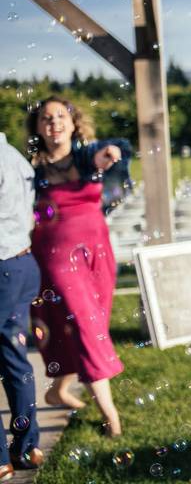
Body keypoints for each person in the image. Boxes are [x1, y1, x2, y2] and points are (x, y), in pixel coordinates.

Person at [27, 97, 130, 437]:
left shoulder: (88, 157)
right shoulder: (34, 171)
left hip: (97, 253)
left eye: (61, 116)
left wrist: (112, 153)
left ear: (73, 123)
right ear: (39, 128)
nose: (54, 122)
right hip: (56, 257)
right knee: (86, 326)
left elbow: (117, 149)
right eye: (46, 118)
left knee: (87, 322)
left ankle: (59, 389)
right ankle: (111, 417)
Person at [0, 132, 44, 477]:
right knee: (14, 357)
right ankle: (27, 447)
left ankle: (1, 459)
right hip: (21, 264)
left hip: (1, 266)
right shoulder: (12, 154)